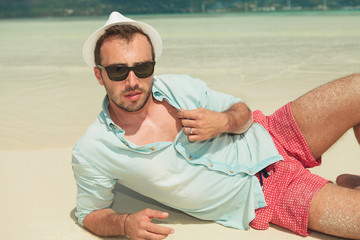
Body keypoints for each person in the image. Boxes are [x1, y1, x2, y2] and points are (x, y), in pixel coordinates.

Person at [72, 12, 360, 240]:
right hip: (264, 193)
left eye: (143, 68)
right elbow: (90, 213)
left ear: (153, 67)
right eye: (119, 71)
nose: (133, 81)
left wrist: (224, 121)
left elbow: (242, 112)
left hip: (272, 133)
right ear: (100, 76)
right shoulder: (94, 150)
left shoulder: (180, 87)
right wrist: (124, 223)